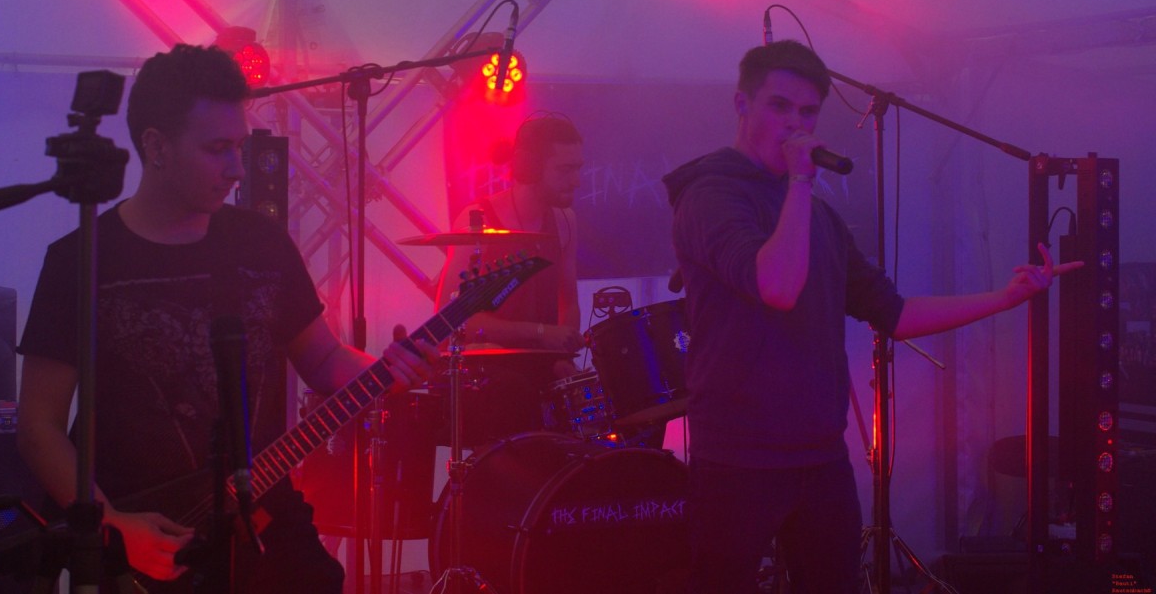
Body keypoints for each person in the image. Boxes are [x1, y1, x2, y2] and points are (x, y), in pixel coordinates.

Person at [662, 40, 1081, 594]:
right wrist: (801, 182)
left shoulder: (818, 217)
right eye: (779, 106)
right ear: (742, 104)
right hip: (737, 454)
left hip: (818, 454)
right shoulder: (711, 196)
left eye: (808, 112)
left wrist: (1005, 298)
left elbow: (896, 314)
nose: (794, 124)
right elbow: (777, 287)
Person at [16, 44, 434, 593]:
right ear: (156, 147)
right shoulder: (81, 260)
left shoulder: (262, 243)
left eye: (239, 147)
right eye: (217, 150)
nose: (237, 169)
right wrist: (112, 526)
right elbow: (39, 424)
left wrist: (384, 372)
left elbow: (324, 359)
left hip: (261, 517)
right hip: (146, 540)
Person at [433, 114, 587, 440]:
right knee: (515, 394)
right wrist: (541, 334)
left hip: (541, 368)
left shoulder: (565, 221)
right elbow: (449, 319)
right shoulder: (478, 222)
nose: (576, 180)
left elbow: (569, 303)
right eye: (565, 170)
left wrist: (563, 355)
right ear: (530, 167)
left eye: (578, 168)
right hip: (488, 377)